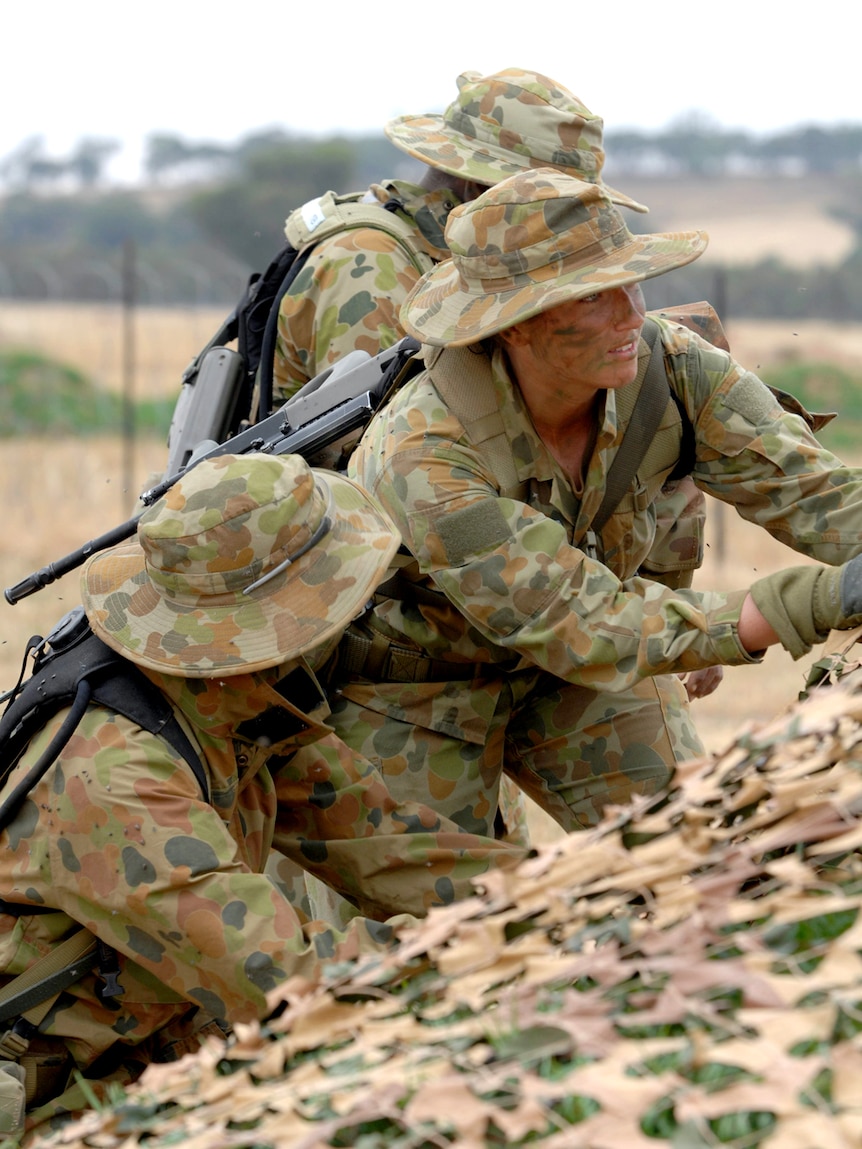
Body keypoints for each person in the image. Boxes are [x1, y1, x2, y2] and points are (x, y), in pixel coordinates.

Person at [0, 452, 524, 1141]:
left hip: (150, 1054)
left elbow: (388, 843)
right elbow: (289, 985)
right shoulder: (114, 779)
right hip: (57, 1104)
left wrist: (564, 892)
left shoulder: (231, 700)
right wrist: (496, 947)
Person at [323, 167, 862, 834]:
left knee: (697, 855)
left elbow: (822, 495)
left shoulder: (678, 371)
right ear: (513, 325)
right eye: (590, 298)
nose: (633, 315)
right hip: (415, 687)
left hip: (582, 679)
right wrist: (802, 604)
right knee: (428, 925)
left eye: (630, 282)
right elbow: (573, 615)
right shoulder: (422, 450)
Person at [272, 66, 648, 402]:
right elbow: (375, 444)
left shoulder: (463, 256)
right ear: (477, 190)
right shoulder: (370, 263)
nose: (567, 226)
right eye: (552, 207)